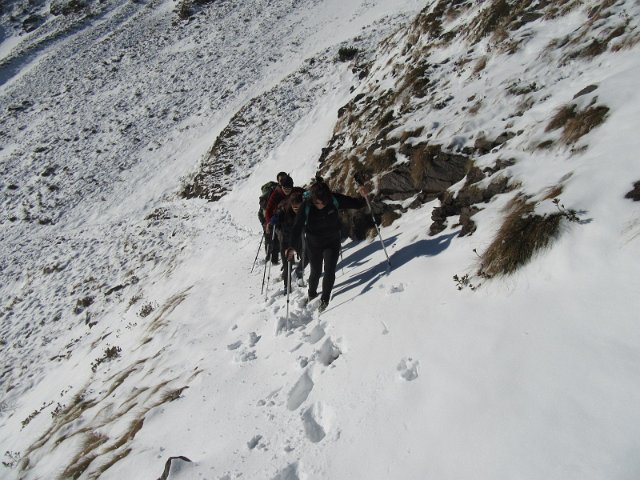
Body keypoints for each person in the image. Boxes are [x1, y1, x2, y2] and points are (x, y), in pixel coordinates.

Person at [287, 178, 368, 311]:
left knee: (330, 270)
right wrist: (291, 246)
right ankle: (312, 294)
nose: (322, 205)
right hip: (314, 244)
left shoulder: (333, 199)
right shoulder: (306, 206)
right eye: (318, 203)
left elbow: (356, 203)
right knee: (316, 271)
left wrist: (364, 195)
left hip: (332, 241)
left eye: (324, 202)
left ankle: (325, 299)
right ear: (312, 199)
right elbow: (297, 226)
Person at [273, 188, 307, 292]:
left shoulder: (305, 209)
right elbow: (275, 218)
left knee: (307, 256)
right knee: (287, 263)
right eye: (294, 207)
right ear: (290, 204)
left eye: (299, 206)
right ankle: (286, 286)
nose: (296, 209)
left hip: (299, 238)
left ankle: (299, 271)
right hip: (286, 240)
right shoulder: (283, 210)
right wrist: (272, 222)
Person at [258, 172, 287, 264]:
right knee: (275, 240)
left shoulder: (271, 194)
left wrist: (264, 222)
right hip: (273, 220)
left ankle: (270, 258)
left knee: (270, 239)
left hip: (270, 221)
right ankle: (273, 259)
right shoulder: (276, 192)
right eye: (281, 180)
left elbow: (259, 212)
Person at [264, 175, 295, 264]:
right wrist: (269, 223)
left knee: (291, 239)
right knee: (283, 240)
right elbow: (268, 210)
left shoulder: (294, 191)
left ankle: (290, 261)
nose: (287, 191)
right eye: (285, 189)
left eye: (289, 189)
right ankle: (286, 265)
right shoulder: (275, 194)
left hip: (290, 219)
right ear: (282, 187)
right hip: (278, 221)